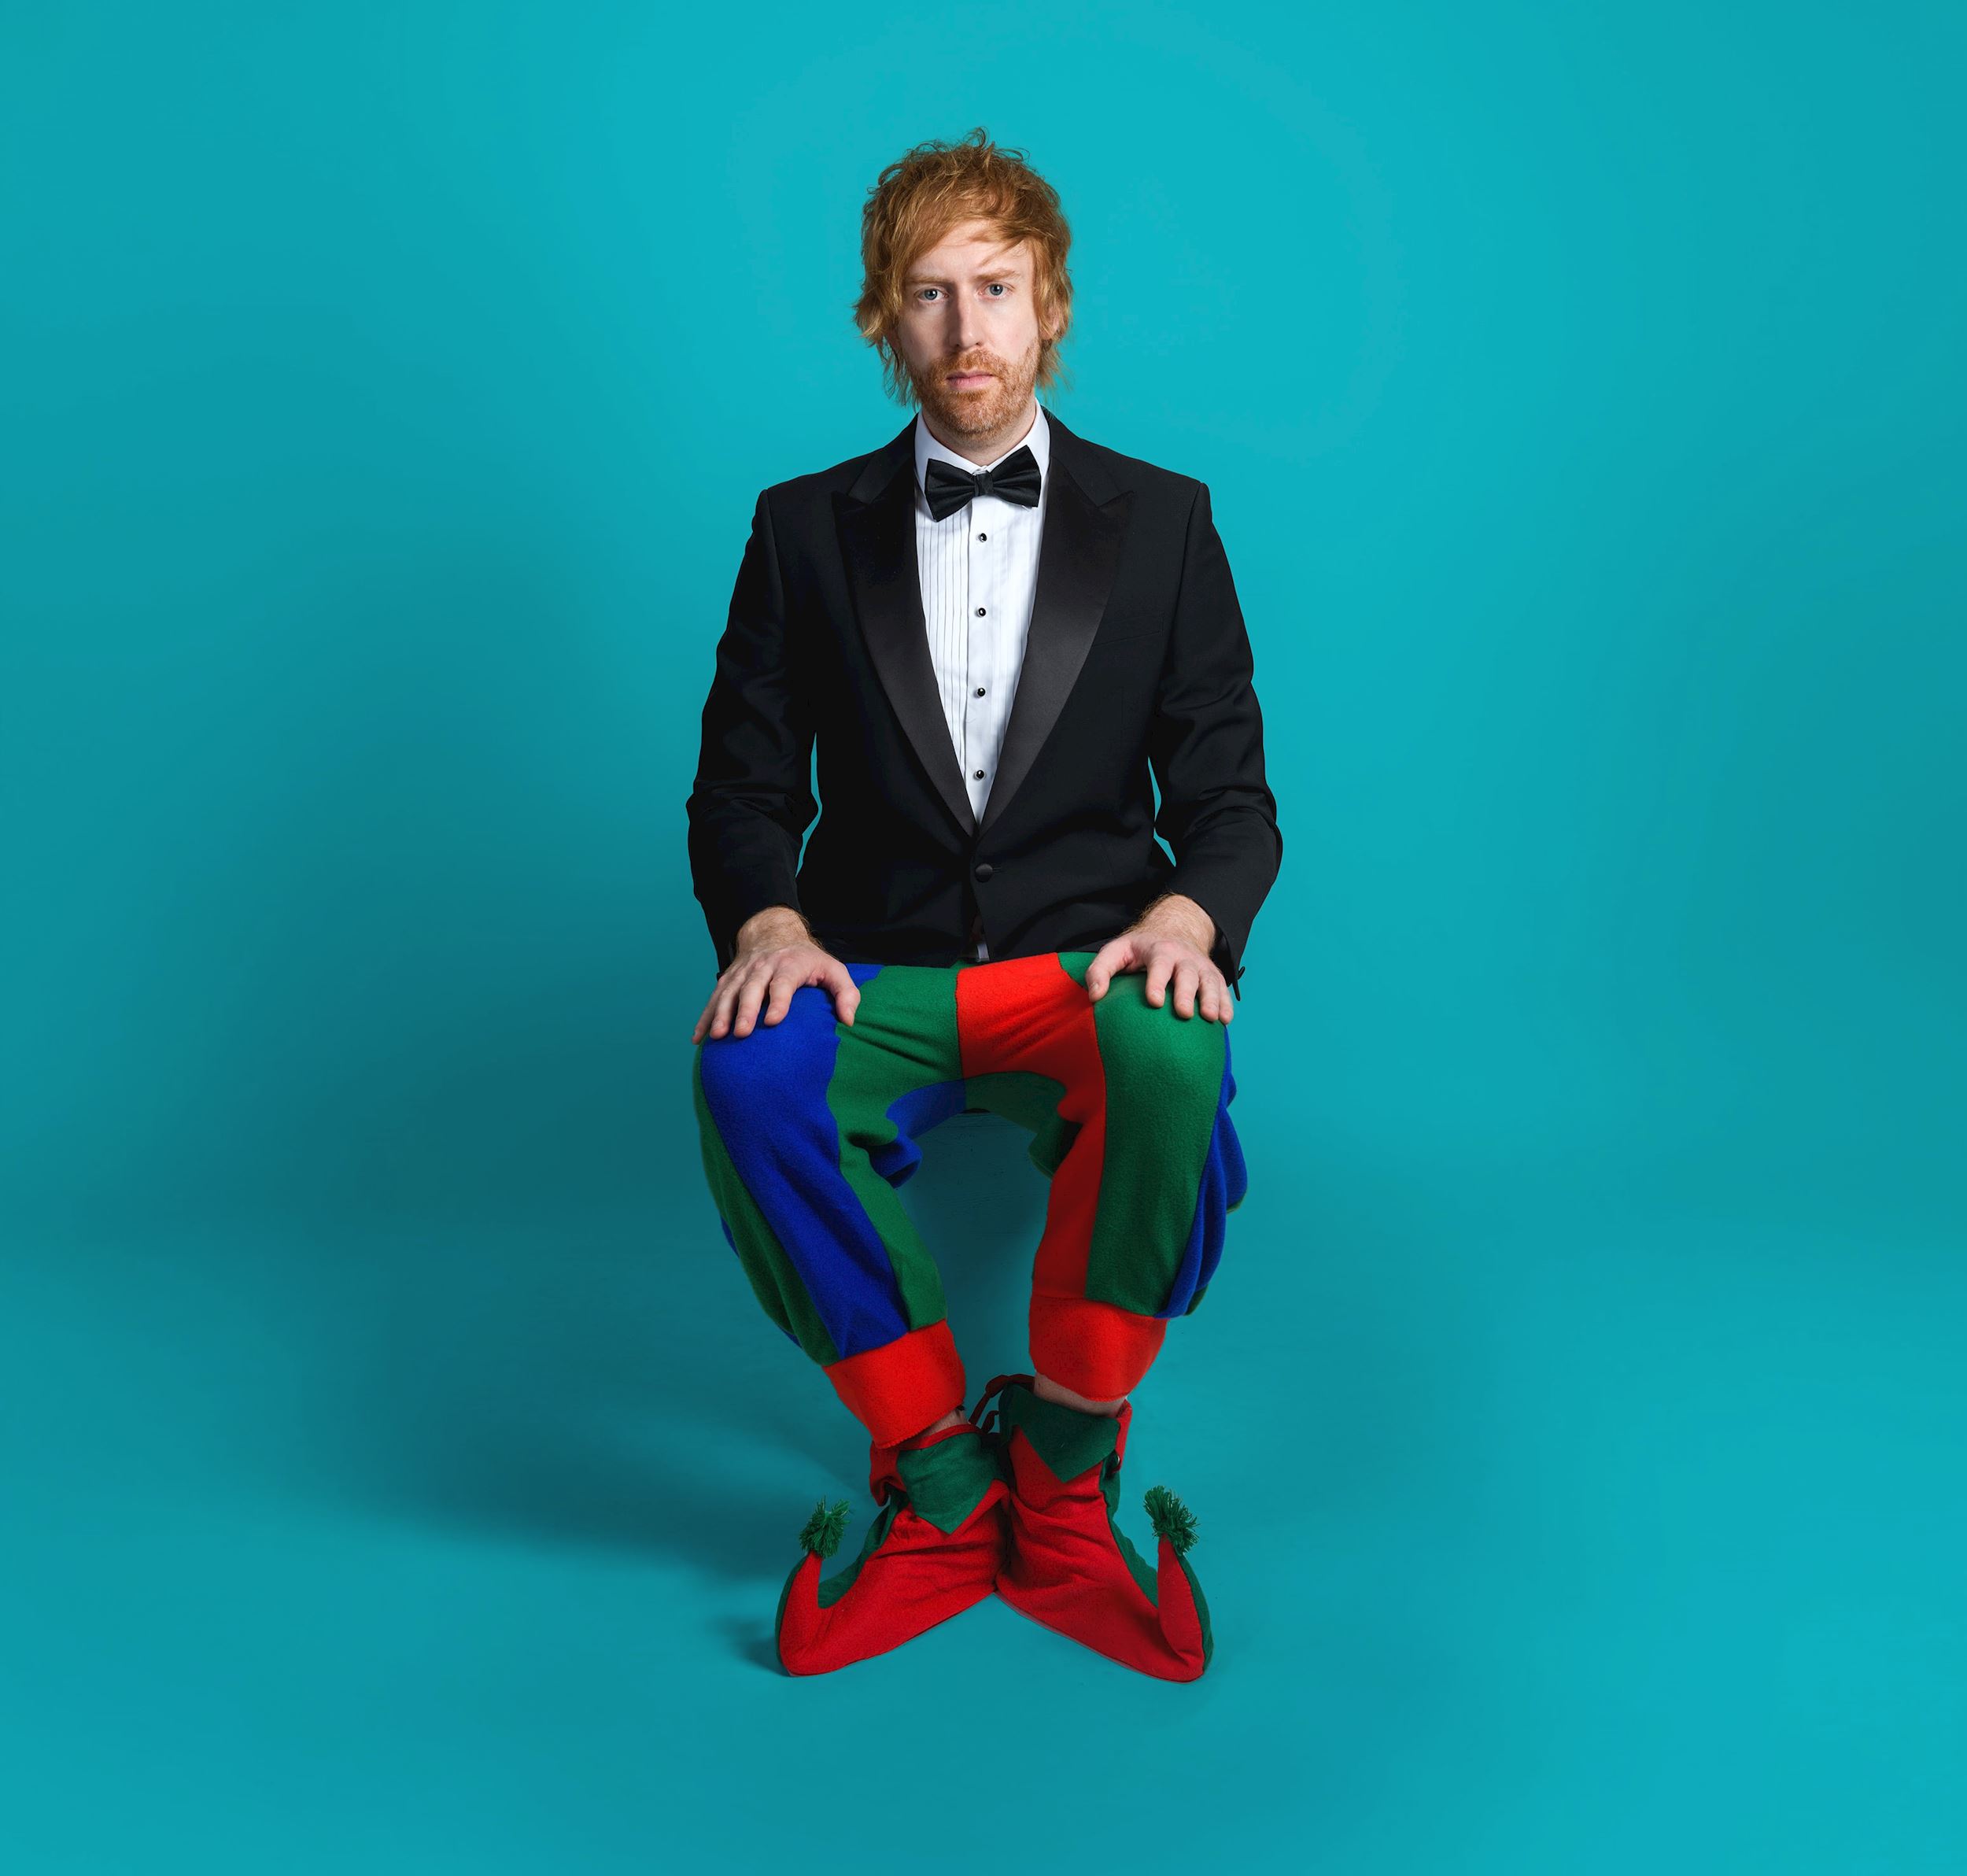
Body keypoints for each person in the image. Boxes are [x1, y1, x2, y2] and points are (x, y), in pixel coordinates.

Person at [686, 127, 1281, 1680]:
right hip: (869, 972)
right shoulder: (799, 530)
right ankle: (941, 1481)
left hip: (1083, 968)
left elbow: (1223, 799)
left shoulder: (1162, 524)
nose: (965, 332)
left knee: (1173, 1050)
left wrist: (1186, 921)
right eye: (926, 296)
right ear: (880, 321)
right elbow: (743, 788)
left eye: (995, 289)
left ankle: (1065, 1472)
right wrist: (764, 923)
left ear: (1054, 304)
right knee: (744, 1071)